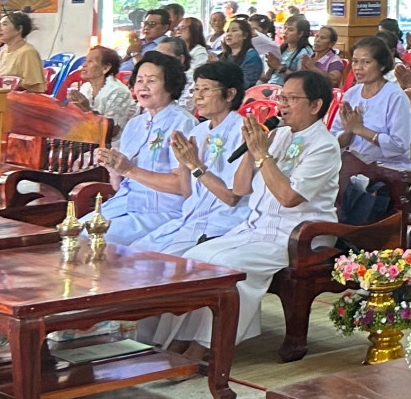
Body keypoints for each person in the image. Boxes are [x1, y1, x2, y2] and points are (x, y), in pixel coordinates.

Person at [139, 69, 346, 358]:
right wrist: (251, 150)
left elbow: (288, 197)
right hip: (255, 229)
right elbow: (240, 188)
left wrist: (263, 156)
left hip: (295, 236)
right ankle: (175, 342)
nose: (282, 105)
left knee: (224, 266)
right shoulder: (278, 134)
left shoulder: (325, 145)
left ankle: (204, 348)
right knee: (193, 260)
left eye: (291, 99)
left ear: (315, 105)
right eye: (281, 98)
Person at [138, 59, 254, 255]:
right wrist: (183, 164)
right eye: (196, 90)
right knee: (136, 251)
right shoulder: (199, 131)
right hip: (190, 219)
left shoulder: (244, 133)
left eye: (206, 90)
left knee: (157, 264)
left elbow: (231, 197)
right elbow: (189, 194)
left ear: (230, 94)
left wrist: (194, 165)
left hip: (220, 225)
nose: (197, 97)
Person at [91, 52, 194, 247]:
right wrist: (112, 167)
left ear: (170, 85)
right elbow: (119, 186)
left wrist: (130, 170)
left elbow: (182, 185)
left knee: (96, 238)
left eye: (151, 81)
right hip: (125, 203)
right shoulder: (135, 124)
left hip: (161, 209)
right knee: (73, 230)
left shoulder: (182, 123)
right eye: (139, 80)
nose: (143, 87)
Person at [336, 36, 411, 174]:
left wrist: (359, 129)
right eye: (355, 61)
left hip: (388, 168)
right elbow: (334, 138)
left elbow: (399, 145)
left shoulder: (395, 97)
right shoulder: (351, 94)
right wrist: (348, 131)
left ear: (382, 65)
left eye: (366, 62)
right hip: (352, 165)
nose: (358, 68)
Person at [67, 45, 137, 130]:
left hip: (113, 142)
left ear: (105, 68)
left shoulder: (119, 92)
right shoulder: (86, 87)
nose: (84, 65)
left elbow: (111, 132)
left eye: (90, 61)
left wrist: (86, 109)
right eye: (85, 60)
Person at [0, 11, 45, 90]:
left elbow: (36, 87)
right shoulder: (2, 53)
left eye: (4, 24)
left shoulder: (28, 52)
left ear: (19, 29)